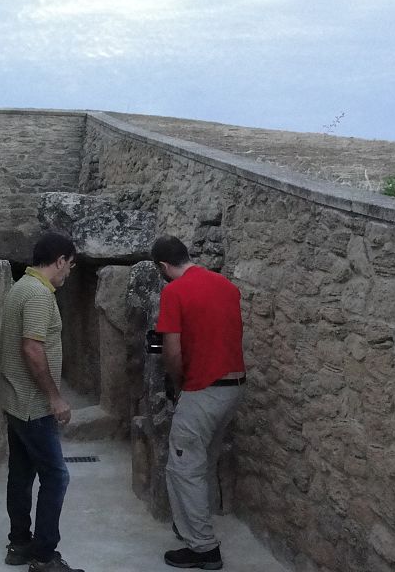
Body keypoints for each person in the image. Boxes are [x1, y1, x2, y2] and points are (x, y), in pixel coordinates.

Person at [151, 235, 246, 570]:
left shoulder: (174, 292)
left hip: (203, 388)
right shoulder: (226, 286)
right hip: (233, 387)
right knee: (202, 462)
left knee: (183, 467)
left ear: (164, 266)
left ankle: (203, 548)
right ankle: (193, 528)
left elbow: (172, 350)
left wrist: (179, 385)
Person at [0, 232, 84, 572]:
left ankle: (19, 543)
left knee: (21, 473)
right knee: (56, 477)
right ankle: (44, 556)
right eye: (70, 265)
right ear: (60, 261)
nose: (69, 272)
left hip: (15, 401)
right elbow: (32, 348)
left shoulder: (21, 287)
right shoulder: (38, 295)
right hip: (33, 405)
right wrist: (55, 398)